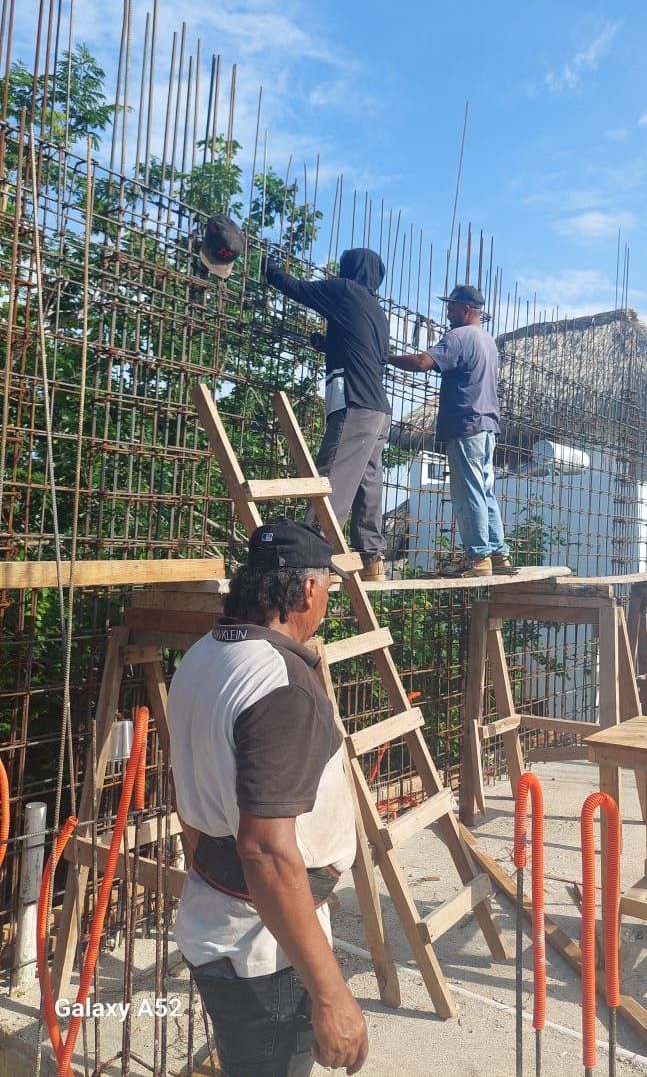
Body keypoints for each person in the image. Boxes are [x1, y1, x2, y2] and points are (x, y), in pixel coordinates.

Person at [168, 520, 368, 1076]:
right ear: (307, 590)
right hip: (265, 951)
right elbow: (266, 852)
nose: (327, 600)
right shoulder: (281, 685)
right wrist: (331, 994)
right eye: (328, 587)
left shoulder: (203, 655)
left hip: (219, 915)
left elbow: (189, 797)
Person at [264, 248, 391, 583]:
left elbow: (299, 289)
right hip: (379, 409)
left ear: (351, 270)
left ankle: (316, 560)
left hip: (356, 404)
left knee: (331, 478)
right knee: (368, 486)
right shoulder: (376, 310)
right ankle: (372, 560)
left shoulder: (344, 291)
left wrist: (270, 269)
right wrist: (328, 343)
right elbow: (369, 355)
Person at [387, 284, 510, 578]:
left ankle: (478, 557)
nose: (447, 312)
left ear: (465, 309)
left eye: (451, 306)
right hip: (487, 426)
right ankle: (498, 555)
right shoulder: (488, 341)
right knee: (484, 490)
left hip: (466, 425)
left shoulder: (459, 336)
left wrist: (385, 357)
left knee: (468, 492)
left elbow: (422, 362)